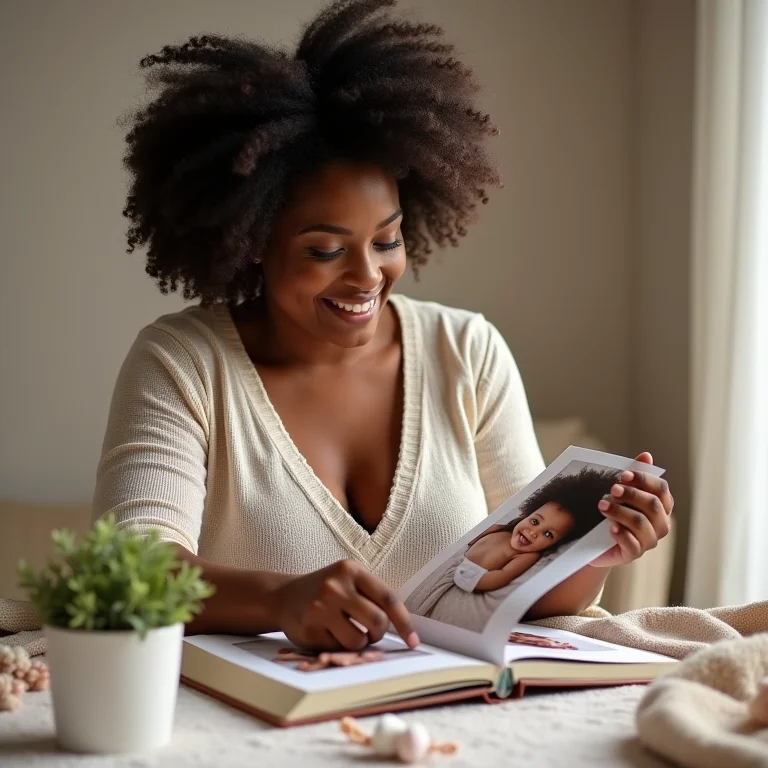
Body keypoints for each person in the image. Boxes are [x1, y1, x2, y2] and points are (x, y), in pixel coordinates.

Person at [94, 0, 674, 653]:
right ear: (252, 239)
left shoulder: (468, 352)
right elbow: (130, 576)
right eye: (325, 250)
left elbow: (526, 588)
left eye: (388, 240)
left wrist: (597, 549)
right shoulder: (183, 363)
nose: (367, 276)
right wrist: (278, 597)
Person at [453, 468, 617, 593]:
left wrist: (476, 582)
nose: (533, 532)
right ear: (527, 513)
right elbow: (478, 536)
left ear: (557, 543)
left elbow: (503, 575)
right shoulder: (503, 529)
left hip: (473, 577)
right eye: (535, 521)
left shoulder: (527, 556)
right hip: (456, 563)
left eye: (548, 534)